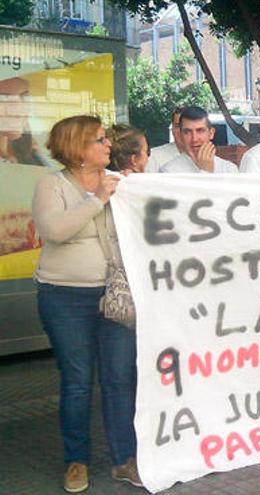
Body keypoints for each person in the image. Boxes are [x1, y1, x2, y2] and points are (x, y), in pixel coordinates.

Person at [31, 115, 141, 492]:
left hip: (115, 297)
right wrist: (98, 199)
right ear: (78, 148)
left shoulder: (121, 183)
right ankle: (76, 461)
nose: (107, 144)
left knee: (119, 380)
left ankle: (124, 459)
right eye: (99, 139)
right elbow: (55, 230)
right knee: (77, 382)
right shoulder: (52, 184)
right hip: (65, 299)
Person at [160, 106, 239, 174]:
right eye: (187, 132)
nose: (194, 139)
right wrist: (206, 172)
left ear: (211, 133)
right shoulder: (168, 171)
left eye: (200, 131)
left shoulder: (229, 169)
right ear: (181, 135)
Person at [145, 107, 186, 173]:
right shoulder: (154, 156)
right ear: (172, 129)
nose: (182, 131)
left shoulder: (207, 156)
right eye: (178, 126)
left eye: (188, 127)